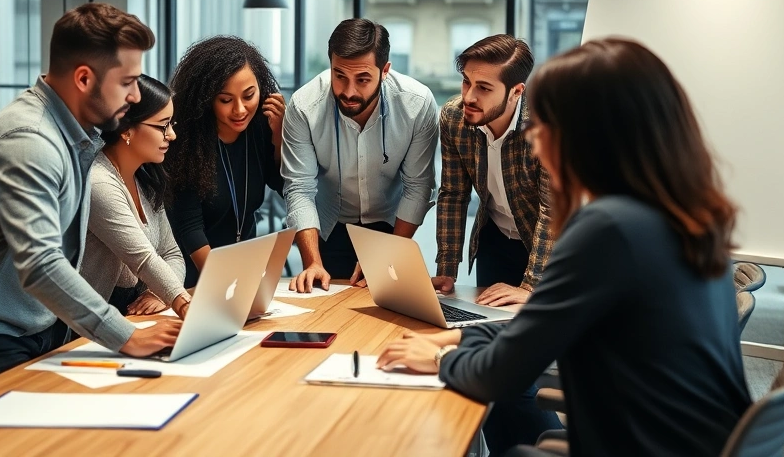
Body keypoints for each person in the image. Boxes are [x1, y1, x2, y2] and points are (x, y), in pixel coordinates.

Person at [376, 38, 752, 456]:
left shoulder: (609, 232)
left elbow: (505, 372)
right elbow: (535, 330)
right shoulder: (680, 218)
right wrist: (455, 341)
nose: (534, 142)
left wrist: (441, 359)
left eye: (546, 127)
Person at [0, 3, 182, 385]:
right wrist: (125, 334)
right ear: (84, 79)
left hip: (25, 329)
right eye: (127, 82)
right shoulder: (30, 139)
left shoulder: (74, 138)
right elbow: (40, 264)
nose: (135, 96)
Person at [282, 18, 437, 292]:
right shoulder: (305, 106)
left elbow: (418, 187)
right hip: (330, 225)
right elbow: (300, 189)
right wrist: (312, 264)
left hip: (392, 224)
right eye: (339, 75)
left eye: (363, 79)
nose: (349, 91)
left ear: (385, 70)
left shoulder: (417, 104)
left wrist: (390, 252)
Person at [435, 34, 554, 308]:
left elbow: (553, 212)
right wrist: (447, 268)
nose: (469, 96)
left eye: (484, 88)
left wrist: (532, 286)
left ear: (516, 91)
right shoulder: (454, 118)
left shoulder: (547, 126)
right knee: (486, 325)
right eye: (467, 81)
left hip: (546, 247)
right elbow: (453, 193)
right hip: (495, 239)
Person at [165, 36, 286, 288]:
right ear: (206, 98)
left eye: (249, 95)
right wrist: (223, 284)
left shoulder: (261, 125)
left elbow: (281, 184)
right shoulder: (186, 140)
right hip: (194, 277)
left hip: (243, 271)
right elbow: (189, 228)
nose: (240, 110)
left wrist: (278, 136)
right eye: (226, 100)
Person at [81, 74, 192, 318]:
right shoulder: (99, 182)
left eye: (172, 124)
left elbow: (171, 254)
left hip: (132, 318)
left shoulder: (145, 178)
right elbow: (142, 259)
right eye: (163, 125)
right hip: (92, 326)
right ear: (126, 129)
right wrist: (184, 304)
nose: (171, 134)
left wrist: (157, 293)